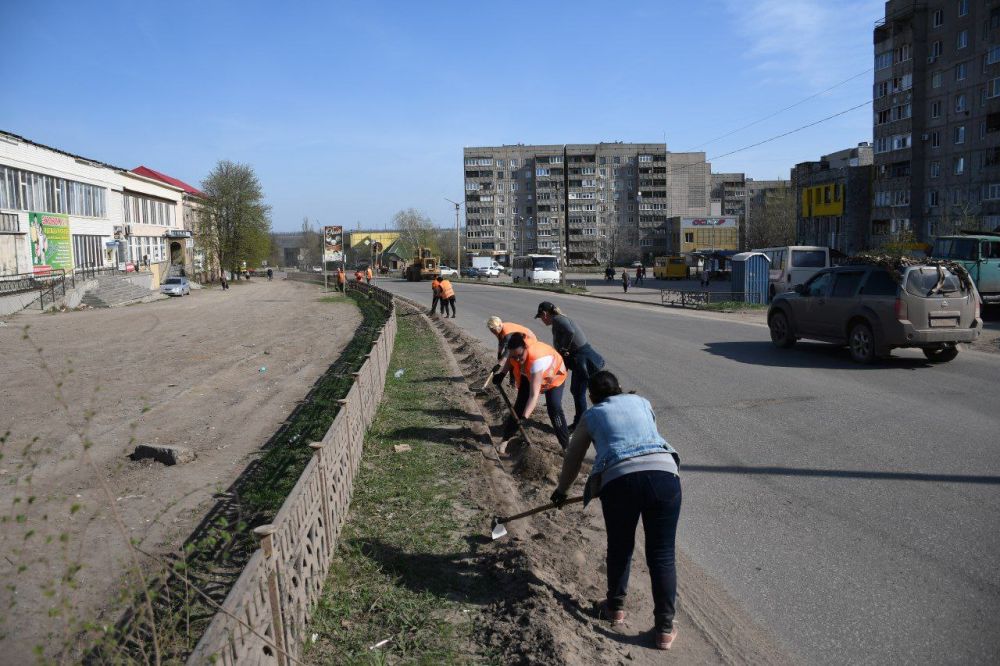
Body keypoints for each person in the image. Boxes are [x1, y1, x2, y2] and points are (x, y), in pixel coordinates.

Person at [550, 370, 681, 651]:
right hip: (664, 476)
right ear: (620, 389)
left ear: (592, 396)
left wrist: (561, 491)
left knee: (620, 547)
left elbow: (573, 457)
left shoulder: (592, 415)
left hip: (620, 481)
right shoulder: (642, 402)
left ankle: (615, 608)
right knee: (662, 555)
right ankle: (665, 630)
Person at [535, 301, 604, 432]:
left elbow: (570, 331)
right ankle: (581, 423)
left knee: (580, 392)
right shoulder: (558, 320)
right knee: (577, 391)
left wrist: (564, 348)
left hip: (583, 358)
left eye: (540, 317)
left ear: (545, 314)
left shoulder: (558, 319)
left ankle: (581, 426)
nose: (541, 321)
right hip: (579, 358)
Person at [497, 332, 569, 451]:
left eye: (520, 356)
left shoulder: (536, 361)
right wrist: (502, 374)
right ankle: (504, 440)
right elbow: (511, 360)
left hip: (554, 377)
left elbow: (534, 395)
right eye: (514, 356)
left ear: (525, 348)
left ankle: (566, 447)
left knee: (554, 408)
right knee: (519, 406)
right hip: (529, 374)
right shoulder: (515, 352)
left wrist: (525, 417)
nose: (518, 359)